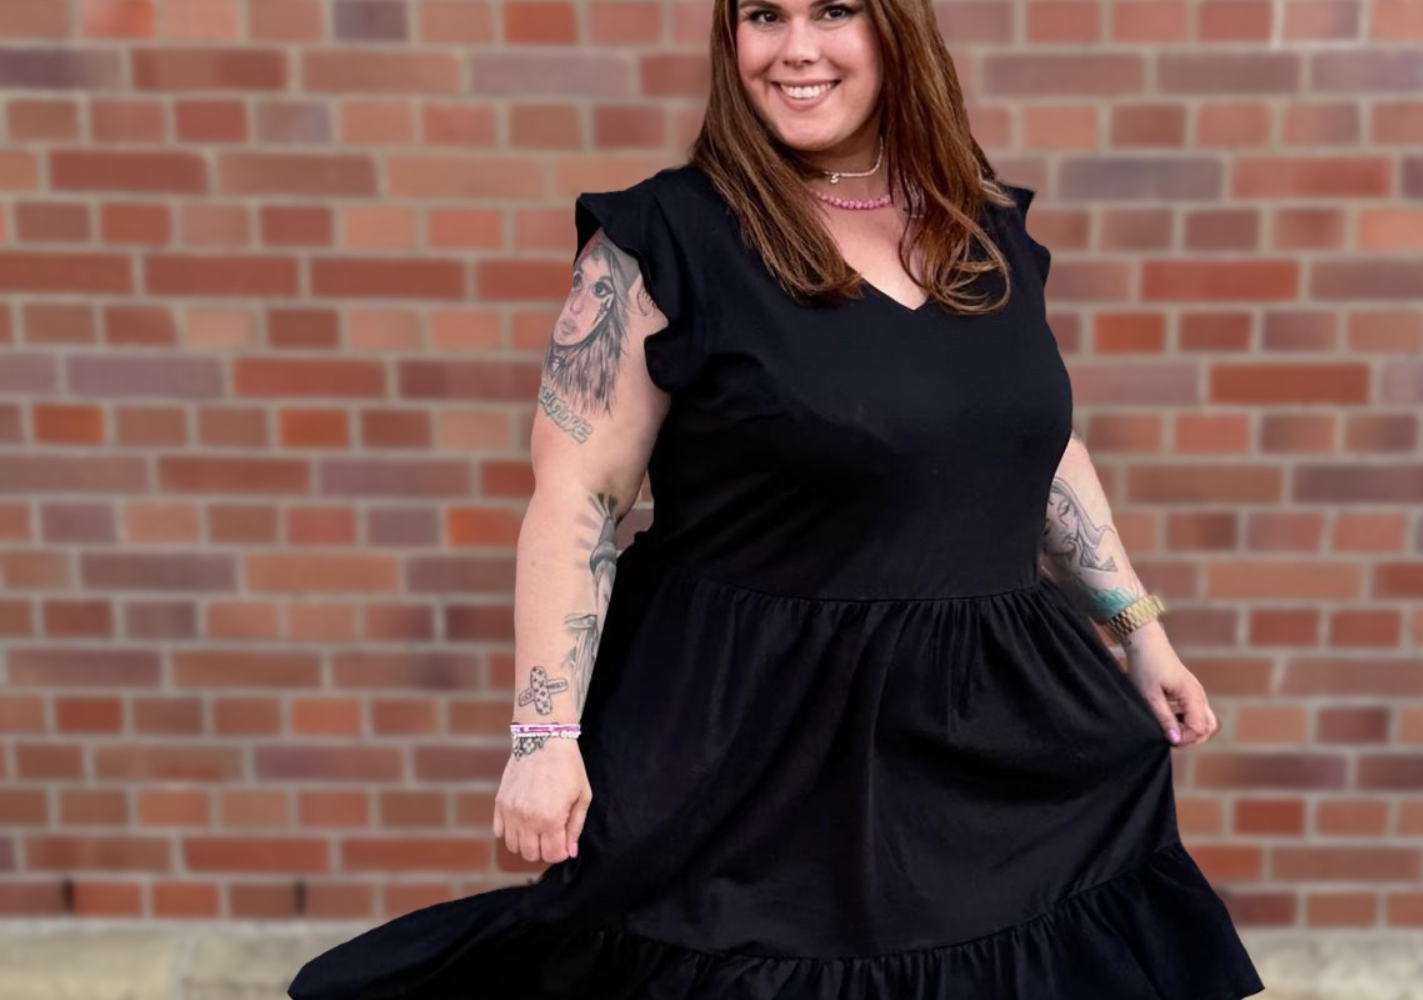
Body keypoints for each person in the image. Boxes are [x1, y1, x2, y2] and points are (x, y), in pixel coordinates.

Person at [288, 0, 1267, 996]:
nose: (796, 49)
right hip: (752, 734)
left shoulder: (979, 227)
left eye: (834, 10)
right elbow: (578, 496)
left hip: (989, 730)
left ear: (895, 30)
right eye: (764, 14)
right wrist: (544, 738)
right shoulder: (663, 241)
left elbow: (1031, 449)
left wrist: (1138, 629)